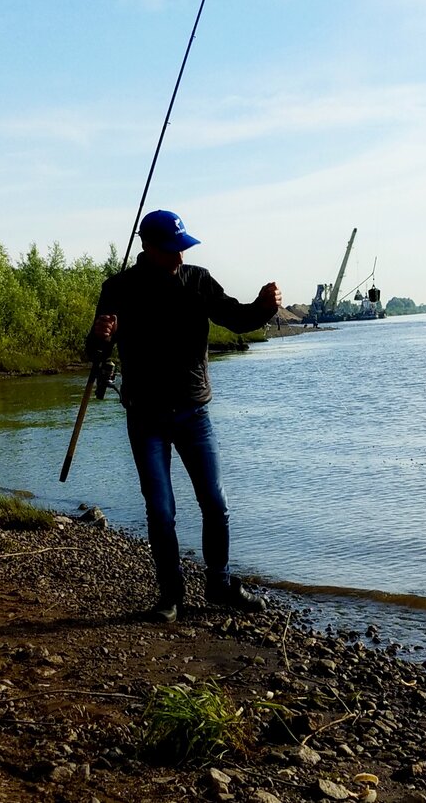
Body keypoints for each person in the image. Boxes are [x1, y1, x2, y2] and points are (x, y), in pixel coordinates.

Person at [86, 209, 282, 623]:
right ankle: (170, 596)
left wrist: (264, 308)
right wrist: (100, 337)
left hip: (194, 413)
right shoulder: (118, 289)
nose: (180, 256)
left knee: (215, 502)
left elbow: (237, 317)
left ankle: (220, 584)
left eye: (183, 247)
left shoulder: (198, 280)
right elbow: (97, 351)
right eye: (172, 249)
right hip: (145, 418)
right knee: (160, 510)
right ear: (148, 247)